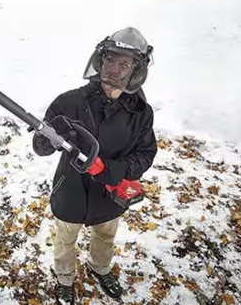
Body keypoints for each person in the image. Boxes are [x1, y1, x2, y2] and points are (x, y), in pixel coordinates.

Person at [32, 27, 158, 304]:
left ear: (136, 70)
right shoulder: (69, 102)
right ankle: (65, 278)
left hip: (110, 194)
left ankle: (99, 268)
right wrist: (50, 137)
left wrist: (119, 170)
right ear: (100, 59)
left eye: (124, 63)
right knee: (65, 241)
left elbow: (146, 153)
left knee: (105, 236)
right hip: (70, 191)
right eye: (110, 59)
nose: (113, 68)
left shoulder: (141, 113)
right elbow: (39, 148)